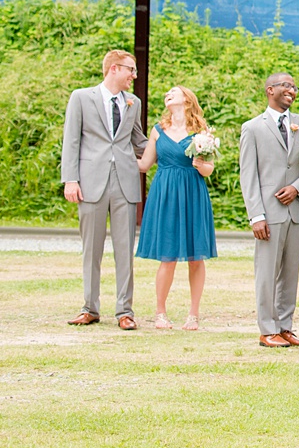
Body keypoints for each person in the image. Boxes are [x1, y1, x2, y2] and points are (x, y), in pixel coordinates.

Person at [60, 49, 147, 329]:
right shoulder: (81, 97)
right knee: (92, 249)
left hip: (125, 182)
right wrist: (70, 179)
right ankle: (90, 307)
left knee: (125, 249)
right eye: (130, 70)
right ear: (114, 69)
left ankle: (125, 311)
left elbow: (140, 142)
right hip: (90, 182)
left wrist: (177, 145)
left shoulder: (134, 102)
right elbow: (71, 140)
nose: (134, 76)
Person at [239, 72, 299, 348]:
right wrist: (256, 215)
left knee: (291, 272)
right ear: (270, 89)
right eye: (286, 86)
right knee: (267, 272)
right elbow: (248, 176)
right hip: (268, 214)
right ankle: (267, 329)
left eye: (294, 87)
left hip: (297, 210)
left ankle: (286, 327)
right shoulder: (252, 128)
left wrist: (298, 187)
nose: (292, 91)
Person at [134, 85, 218, 331]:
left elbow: (209, 170)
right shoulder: (158, 131)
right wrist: (115, 152)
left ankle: (193, 315)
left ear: (187, 100)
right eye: (167, 93)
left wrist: (200, 163)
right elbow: (144, 165)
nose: (168, 94)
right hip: (166, 192)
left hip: (192, 191)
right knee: (167, 256)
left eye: (174, 91)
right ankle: (160, 313)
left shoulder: (201, 132)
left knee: (196, 256)